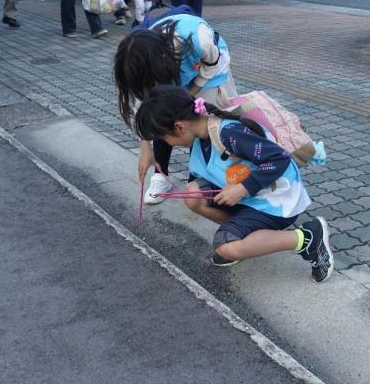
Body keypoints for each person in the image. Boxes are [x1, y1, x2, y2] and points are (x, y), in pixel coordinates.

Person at [133, 85, 334, 282]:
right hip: (252, 198)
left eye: (163, 138)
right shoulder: (202, 135)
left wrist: (242, 188)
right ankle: (242, 237)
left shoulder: (229, 133)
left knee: (225, 247)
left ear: (179, 127)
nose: (166, 143)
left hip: (276, 203)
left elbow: (279, 158)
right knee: (193, 195)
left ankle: (308, 238)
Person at [113, 12, 237, 204]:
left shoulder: (198, 39)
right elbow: (144, 105)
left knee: (200, 122)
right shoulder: (138, 60)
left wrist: (189, 95)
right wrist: (145, 147)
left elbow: (212, 65)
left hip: (209, 74)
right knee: (160, 115)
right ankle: (160, 175)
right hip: (170, 75)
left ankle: (198, 178)